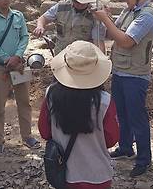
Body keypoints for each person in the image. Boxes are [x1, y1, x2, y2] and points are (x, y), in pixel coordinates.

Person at [91, 0, 153, 177]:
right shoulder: (130, 10)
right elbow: (115, 30)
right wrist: (108, 18)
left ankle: (144, 159)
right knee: (122, 112)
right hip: (121, 70)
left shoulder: (147, 15)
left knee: (137, 117)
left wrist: (105, 19)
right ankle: (126, 146)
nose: (124, 0)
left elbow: (126, 40)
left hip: (135, 75)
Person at [38, 41, 119, 189]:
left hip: (64, 173)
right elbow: (111, 139)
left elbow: (44, 131)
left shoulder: (51, 95)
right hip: (98, 175)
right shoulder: (105, 101)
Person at [0, 0, 39, 152]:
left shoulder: (18, 16)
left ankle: (27, 136)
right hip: (1, 67)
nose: (6, 0)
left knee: (24, 102)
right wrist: (8, 59)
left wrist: (17, 56)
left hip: (19, 65)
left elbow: (24, 36)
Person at [33, 0, 106, 53]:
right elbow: (44, 18)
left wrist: (102, 59)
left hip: (82, 55)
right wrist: (40, 26)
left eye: (83, 3)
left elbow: (98, 41)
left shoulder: (95, 15)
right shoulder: (60, 7)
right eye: (77, 2)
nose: (80, 5)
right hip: (61, 52)